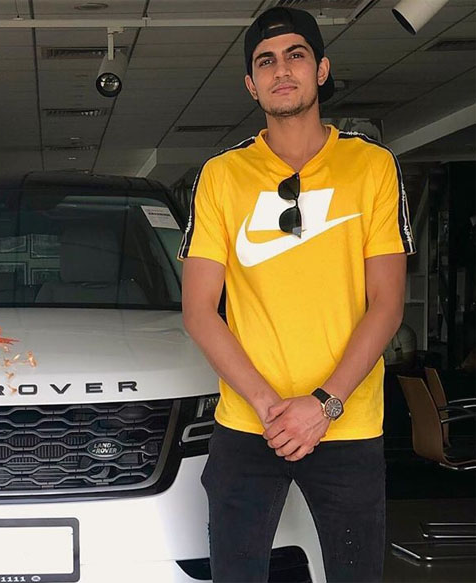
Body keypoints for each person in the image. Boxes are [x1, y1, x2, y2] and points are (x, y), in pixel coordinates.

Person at [178, 6, 415, 582]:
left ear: (321, 69)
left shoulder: (372, 166)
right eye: (266, 61)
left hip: (347, 418)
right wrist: (268, 408)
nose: (281, 70)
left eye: (295, 55)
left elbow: (387, 304)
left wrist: (323, 406)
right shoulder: (222, 176)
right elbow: (198, 309)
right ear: (250, 83)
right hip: (247, 421)